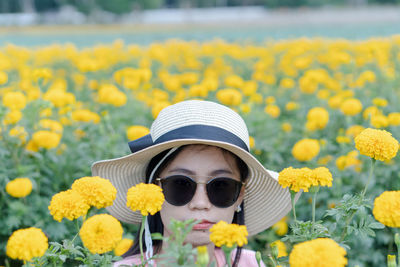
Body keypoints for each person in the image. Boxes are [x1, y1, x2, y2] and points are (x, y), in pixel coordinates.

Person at [91, 100, 298, 267]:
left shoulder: (255, 263)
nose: (200, 203)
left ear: (240, 196)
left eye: (221, 186)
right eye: (180, 184)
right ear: (153, 191)